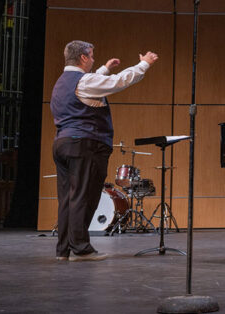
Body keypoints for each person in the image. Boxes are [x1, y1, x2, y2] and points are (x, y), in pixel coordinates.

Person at [50, 40, 158, 261]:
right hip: (84, 144)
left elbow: (88, 86)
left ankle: (63, 251)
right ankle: (81, 249)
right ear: (82, 58)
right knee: (83, 197)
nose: (92, 59)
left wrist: (105, 68)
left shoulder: (62, 82)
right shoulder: (84, 81)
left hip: (63, 144)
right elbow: (117, 82)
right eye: (91, 56)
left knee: (67, 199)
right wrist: (143, 65)